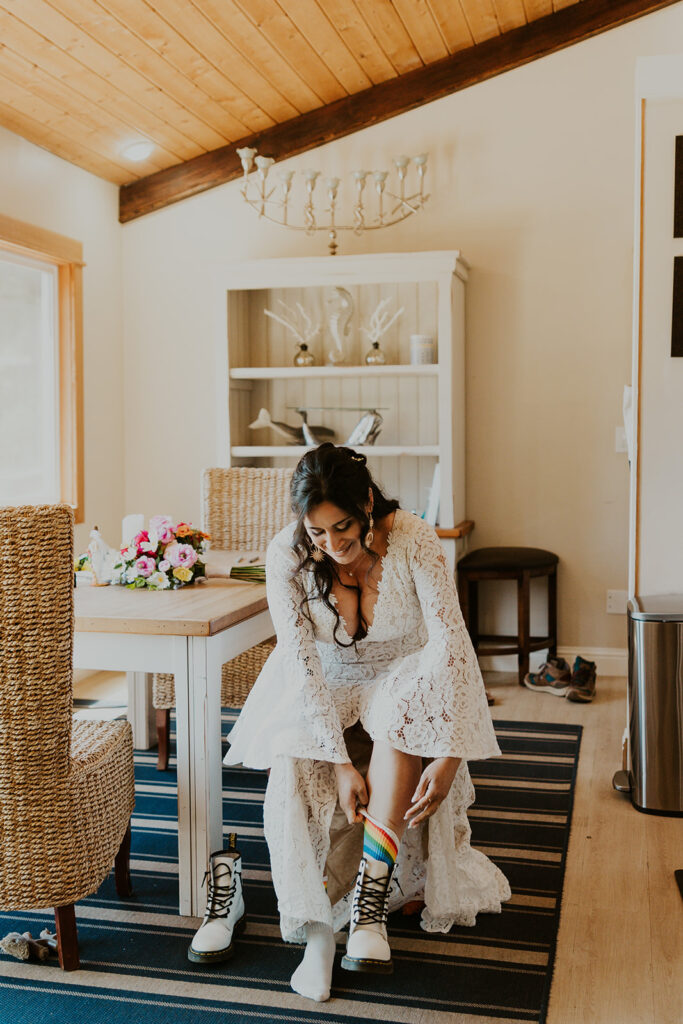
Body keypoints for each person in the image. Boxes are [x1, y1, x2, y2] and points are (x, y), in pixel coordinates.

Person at [189, 443, 510, 1001]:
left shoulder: (413, 538)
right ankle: (315, 927)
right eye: (317, 534)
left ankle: (369, 913)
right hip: (329, 681)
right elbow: (301, 664)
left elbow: (451, 643)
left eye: (343, 528)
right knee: (294, 761)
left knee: (399, 712)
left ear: (366, 504)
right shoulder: (286, 556)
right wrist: (338, 761)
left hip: (405, 673)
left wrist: (451, 751)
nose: (333, 546)